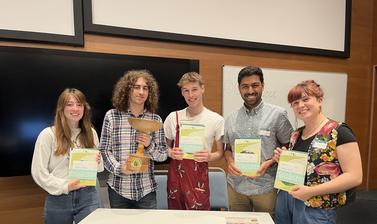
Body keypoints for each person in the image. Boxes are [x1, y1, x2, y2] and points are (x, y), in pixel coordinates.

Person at [273, 80, 363, 224]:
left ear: (320, 100)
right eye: (295, 103)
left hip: (315, 207)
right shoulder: (296, 134)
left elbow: (355, 176)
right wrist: (283, 161)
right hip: (287, 200)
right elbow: (307, 168)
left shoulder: (339, 132)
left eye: (305, 99)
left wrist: (310, 191)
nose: (300, 105)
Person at [224, 66, 293, 216]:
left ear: (262, 85)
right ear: (239, 88)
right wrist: (229, 162)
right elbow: (228, 148)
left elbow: (289, 147)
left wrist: (269, 163)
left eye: (255, 85)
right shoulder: (230, 118)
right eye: (245, 86)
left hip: (266, 187)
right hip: (236, 186)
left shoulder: (278, 114)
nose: (250, 91)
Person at [31, 88, 103, 224]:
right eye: (69, 104)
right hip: (58, 198)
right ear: (61, 108)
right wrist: (65, 186)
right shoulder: (48, 135)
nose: (75, 108)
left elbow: (98, 170)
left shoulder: (91, 133)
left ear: (84, 108)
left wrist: (98, 161)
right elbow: (38, 173)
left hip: (88, 196)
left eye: (79, 104)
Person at [99, 69, 167, 209]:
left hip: (146, 191)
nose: (141, 92)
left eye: (145, 88)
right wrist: (120, 168)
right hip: (118, 190)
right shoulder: (112, 116)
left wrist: (149, 144)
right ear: (127, 90)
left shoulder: (155, 119)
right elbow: (104, 151)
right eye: (136, 87)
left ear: (150, 93)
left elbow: (162, 156)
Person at [164, 72, 224, 210]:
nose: (191, 95)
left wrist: (209, 156)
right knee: (176, 218)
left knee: (199, 219)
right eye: (186, 91)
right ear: (182, 93)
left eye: (194, 89)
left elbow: (220, 153)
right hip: (176, 179)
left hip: (198, 180)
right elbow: (164, 148)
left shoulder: (216, 120)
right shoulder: (174, 117)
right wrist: (171, 152)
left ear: (202, 89)